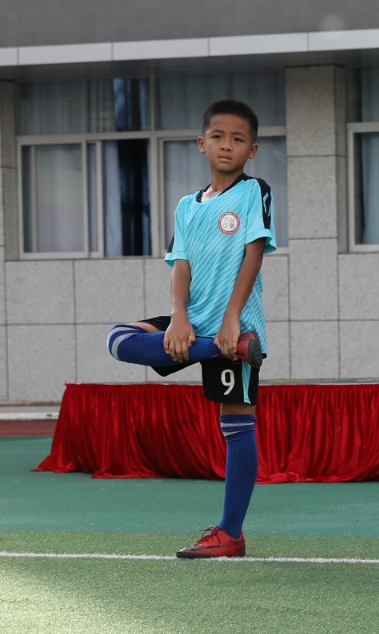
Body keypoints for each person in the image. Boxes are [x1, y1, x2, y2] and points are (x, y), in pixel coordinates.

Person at [105, 99, 275, 558]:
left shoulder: (254, 191)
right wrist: (178, 317)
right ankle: (221, 348)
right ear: (202, 143)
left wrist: (232, 317)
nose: (227, 145)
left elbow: (254, 254)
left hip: (234, 324)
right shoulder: (186, 206)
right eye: (218, 136)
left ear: (252, 150)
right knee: (118, 340)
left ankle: (230, 534)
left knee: (236, 424)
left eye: (238, 139)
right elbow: (180, 265)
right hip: (197, 327)